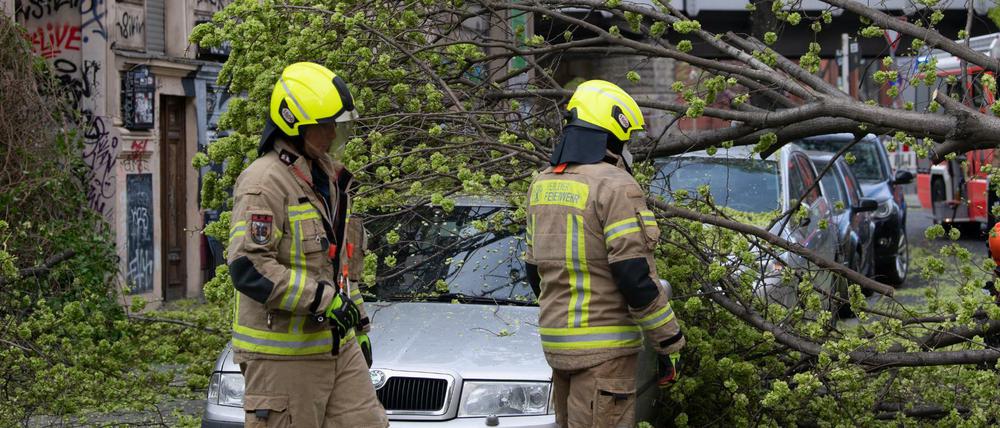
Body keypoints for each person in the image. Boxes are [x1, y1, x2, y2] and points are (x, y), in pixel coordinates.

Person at [226, 62, 386, 428]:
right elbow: (248, 267)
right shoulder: (264, 182)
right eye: (324, 125)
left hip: (335, 346)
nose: (332, 134)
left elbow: (339, 268)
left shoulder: (326, 179)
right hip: (283, 357)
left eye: (336, 125)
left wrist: (357, 326)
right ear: (294, 125)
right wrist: (322, 301)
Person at [524, 80, 686, 427]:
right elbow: (633, 275)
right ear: (613, 135)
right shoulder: (614, 185)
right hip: (605, 351)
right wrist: (669, 342)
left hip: (556, 346)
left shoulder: (541, 184)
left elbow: (533, 272)